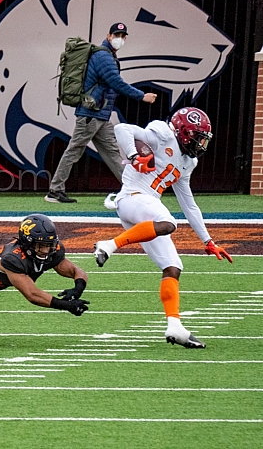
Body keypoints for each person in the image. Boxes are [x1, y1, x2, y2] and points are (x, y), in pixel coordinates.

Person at [93, 107, 232, 349]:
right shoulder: (163, 135)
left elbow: (189, 204)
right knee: (169, 223)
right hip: (132, 197)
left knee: (173, 266)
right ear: (184, 133)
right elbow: (121, 129)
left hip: (146, 211)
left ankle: (175, 326)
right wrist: (134, 156)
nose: (201, 144)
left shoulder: (188, 162)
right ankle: (109, 244)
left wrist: (208, 241)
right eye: (198, 137)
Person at [45, 22, 158, 204]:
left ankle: (132, 190)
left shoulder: (107, 55)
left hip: (99, 114)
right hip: (91, 114)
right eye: (116, 35)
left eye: (122, 36)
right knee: (74, 151)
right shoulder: (103, 56)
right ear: (108, 36)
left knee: (112, 152)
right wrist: (141, 96)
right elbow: (115, 82)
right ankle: (55, 190)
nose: (119, 39)